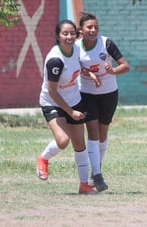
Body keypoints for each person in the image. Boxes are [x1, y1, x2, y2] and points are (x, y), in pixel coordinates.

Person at [36, 19, 97, 194]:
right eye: (65, 33)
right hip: (53, 101)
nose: (69, 36)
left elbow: (77, 66)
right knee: (63, 140)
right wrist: (71, 112)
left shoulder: (76, 48)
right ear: (58, 36)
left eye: (72, 33)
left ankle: (84, 185)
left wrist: (89, 73)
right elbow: (53, 92)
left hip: (74, 99)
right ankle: (43, 158)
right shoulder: (55, 60)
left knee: (79, 143)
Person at [77, 12, 130, 191]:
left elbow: (126, 66)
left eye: (95, 27)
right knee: (93, 132)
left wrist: (112, 71)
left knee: (103, 132)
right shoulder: (76, 48)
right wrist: (89, 74)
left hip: (109, 93)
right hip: (87, 93)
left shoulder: (106, 43)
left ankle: (95, 171)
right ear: (81, 30)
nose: (93, 30)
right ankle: (98, 175)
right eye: (89, 27)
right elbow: (75, 69)